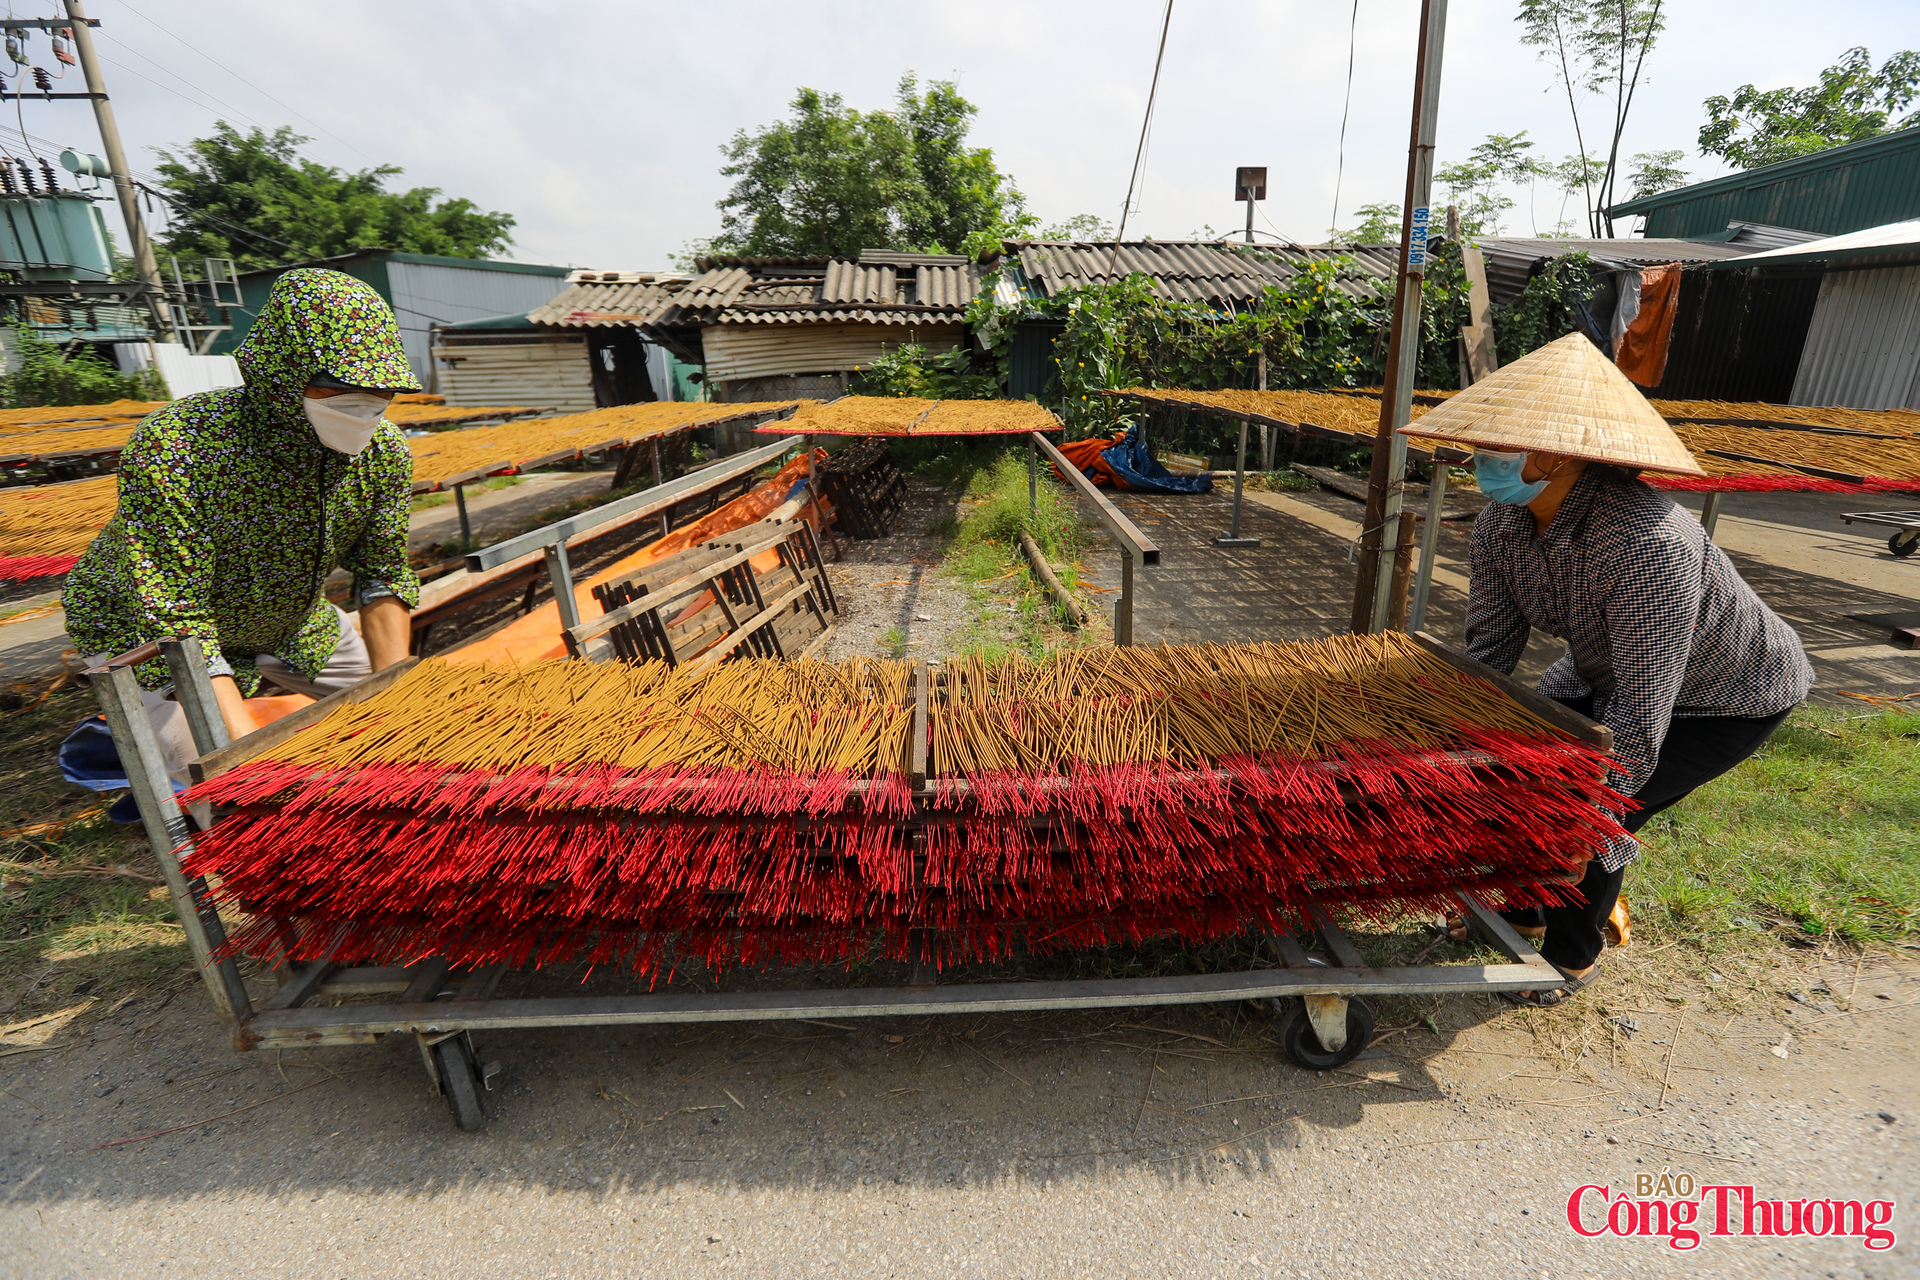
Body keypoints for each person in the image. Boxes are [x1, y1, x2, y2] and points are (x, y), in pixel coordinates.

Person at [1400, 333, 1813, 1006]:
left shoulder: (1647, 542)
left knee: (1586, 809)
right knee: (1521, 773)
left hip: (1726, 696)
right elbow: (1491, 651)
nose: (1483, 456)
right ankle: (1526, 911)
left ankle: (1572, 957)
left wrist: (1593, 802)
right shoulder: (1502, 526)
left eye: (1501, 441)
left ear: (1560, 453)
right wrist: (1444, 734)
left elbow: (1642, 713)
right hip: (1605, 672)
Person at [64, 269, 422, 782]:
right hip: (150, 636)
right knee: (228, 783)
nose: (363, 403)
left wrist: (397, 701)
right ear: (281, 372)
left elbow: (381, 572)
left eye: (380, 389)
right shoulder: (181, 447)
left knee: (401, 727)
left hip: (291, 622)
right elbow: (177, 618)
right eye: (339, 387)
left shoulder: (382, 453)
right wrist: (244, 761)